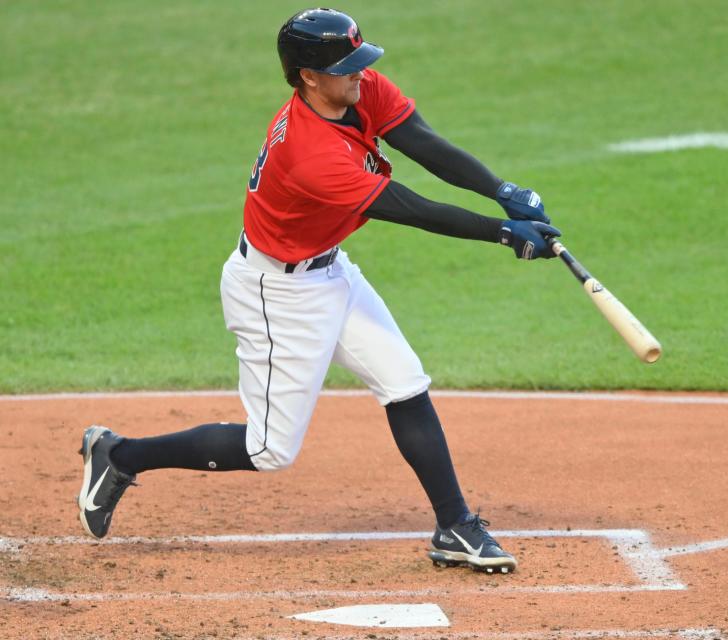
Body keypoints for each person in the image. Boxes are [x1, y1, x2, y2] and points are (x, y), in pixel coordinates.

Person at [76, 7, 560, 575]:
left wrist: (502, 190)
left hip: (331, 271)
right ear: (308, 75)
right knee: (269, 451)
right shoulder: (308, 153)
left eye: (361, 60)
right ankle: (120, 453)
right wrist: (502, 231)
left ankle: (454, 526)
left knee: (404, 382)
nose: (361, 72)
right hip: (276, 293)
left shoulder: (354, 89)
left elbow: (422, 142)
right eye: (346, 65)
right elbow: (409, 207)